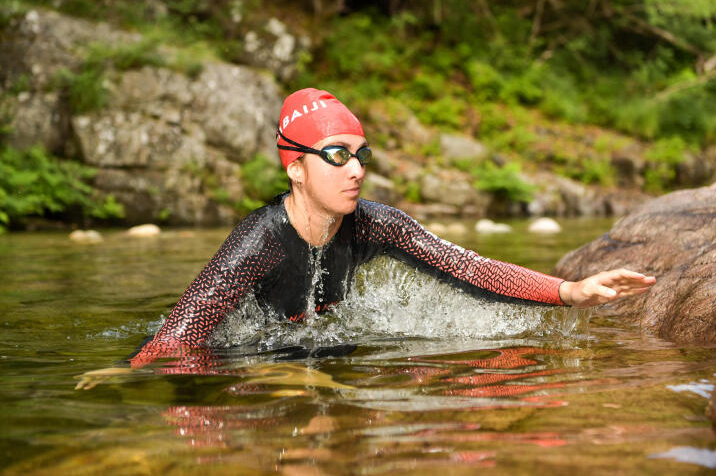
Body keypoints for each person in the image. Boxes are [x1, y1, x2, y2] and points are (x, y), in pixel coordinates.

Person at [76, 88, 655, 388]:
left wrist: (570, 291)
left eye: (360, 156)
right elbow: (188, 326)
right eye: (336, 156)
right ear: (295, 168)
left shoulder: (374, 222)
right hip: (248, 357)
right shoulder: (258, 240)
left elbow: (469, 268)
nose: (355, 170)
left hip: (330, 347)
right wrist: (129, 374)